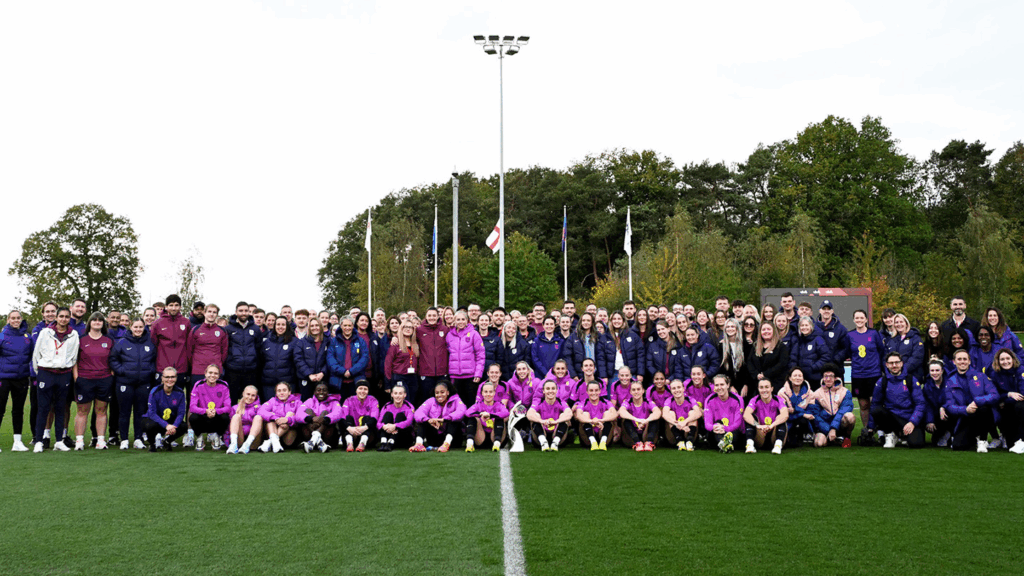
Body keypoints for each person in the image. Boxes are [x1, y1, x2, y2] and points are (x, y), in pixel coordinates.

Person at [109, 318, 157, 450]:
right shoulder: (121, 342)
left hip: (143, 383)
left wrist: (150, 371)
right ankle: (124, 439)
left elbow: (154, 360)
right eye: (135, 327)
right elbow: (113, 359)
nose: (138, 330)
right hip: (125, 382)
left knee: (140, 412)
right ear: (130, 327)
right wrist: (122, 371)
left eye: (140, 327)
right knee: (124, 412)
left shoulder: (150, 343)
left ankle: (138, 438)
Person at [73, 312, 114, 450]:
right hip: (85, 380)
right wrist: (77, 378)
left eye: (100, 320)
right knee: (82, 411)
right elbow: (74, 361)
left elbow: (112, 361)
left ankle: (100, 440)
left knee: (101, 410)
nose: (97, 322)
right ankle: (79, 441)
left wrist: (110, 377)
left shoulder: (109, 340)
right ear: (89, 322)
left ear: (103, 323)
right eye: (94, 320)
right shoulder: (81, 339)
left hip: (104, 379)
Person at [945, 349, 999, 452]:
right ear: (954, 362)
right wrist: (965, 409)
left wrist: (977, 401)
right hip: (965, 416)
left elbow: (994, 395)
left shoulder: (981, 376)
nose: (962, 362)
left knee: (984, 408)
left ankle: (982, 441)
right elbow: (950, 405)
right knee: (958, 446)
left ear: (969, 361)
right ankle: (974, 438)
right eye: (959, 359)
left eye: (965, 359)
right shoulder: (950, 381)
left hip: (983, 415)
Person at [869, 352, 926, 449]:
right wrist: (870, 427)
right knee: (877, 410)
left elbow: (920, 404)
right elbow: (875, 404)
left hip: (908, 418)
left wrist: (912, 422)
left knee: (916, 444)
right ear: (886, 365)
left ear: (902, 363)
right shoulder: (881, 382)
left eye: (896, 362)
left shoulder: (911, 380)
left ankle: (903, 436)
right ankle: (890, 434)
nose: (894, 365)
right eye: (891, 363)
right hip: (892, 417)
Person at [0, 310, 34, 452]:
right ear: (8, 320)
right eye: (13, 318)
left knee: (18, 410)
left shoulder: (27, 337)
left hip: (21, 378)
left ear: (21, 319)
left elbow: (33, 356)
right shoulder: (2, 336)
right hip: (4, 378)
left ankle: (17, 442)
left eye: (18, 318)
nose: (15, 320)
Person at [848, 309, 886, 433]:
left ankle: (879, 430)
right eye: (856, 318)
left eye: (861, 318)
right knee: (863, 404)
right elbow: (848, 352)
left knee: (875, 403)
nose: (859, 320)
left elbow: (881, 351)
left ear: (866, 319)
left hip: (873, 373)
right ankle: (867, 430)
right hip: (858, 375)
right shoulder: (850, 335)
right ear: (853, 320)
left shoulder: (874, 333)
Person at [410, 381, 466, 452]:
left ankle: (446, 444)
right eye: (437, 393)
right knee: (422, 420)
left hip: (453, 439)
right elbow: (418, 413)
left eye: (442, 392)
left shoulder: (456, 400)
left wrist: (444, 419)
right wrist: (428, 420)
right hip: (435, 438)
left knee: (453, 420)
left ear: (447, 393)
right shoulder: (431, 401)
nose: (439, 395)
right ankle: (419, 444)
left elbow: (462, 411)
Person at [224, 301, 262, 404]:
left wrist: (255, 364)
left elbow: (258, 348)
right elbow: (225, 348)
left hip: (250, 370)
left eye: (246, 311)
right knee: (232, 398)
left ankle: (248, 419)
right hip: (233, 370)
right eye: (241, 311)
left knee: (249, 399)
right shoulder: (228, 329)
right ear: (236, 312)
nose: (243, 313)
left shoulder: (255, 329)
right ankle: (232, 419)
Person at [986, 348, 1024, 453]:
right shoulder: (995, 374)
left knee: (1019, 406)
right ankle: (1009, 438)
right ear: (998, 361)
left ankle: (1021, 440)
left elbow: (1022, 394)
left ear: (1013, 359)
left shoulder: (1021, 371)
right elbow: (994, 394)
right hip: (1007, 405)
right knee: (1010, 446)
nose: (1005, 361)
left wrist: (1005, 399)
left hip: (1019, 405)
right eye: (1002, 359)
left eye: (1008, 358)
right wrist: (1008, 394)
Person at [151, 295, 192, 390]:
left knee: (178, 396)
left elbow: (189, 345)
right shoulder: (157, 323)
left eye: (177, 305)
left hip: (181, 368)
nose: (174, 308)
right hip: (163, 368)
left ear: (180, 307)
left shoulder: (186, 322)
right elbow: (154, 345)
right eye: (171, 305)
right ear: (166, 306)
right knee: (161, 397)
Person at [187, 364, 231, 451]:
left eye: (215, 373)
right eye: (210, 373)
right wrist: (206, 411)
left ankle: (217, 437)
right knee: (193, 417)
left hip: (216, 416)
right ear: (205, 373)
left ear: (219, 375)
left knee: (225, 417)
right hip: (203, 417)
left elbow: (228, 407)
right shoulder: (198, 384)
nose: (212, 375)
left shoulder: (224, 385)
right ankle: (199, 438)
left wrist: (216, 411)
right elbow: (192, 407)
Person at [142, 367, 187, 452]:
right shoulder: (155, 391)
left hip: (171, 422)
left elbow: (181, 413)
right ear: (162, 378)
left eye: (172, 377)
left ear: (176, 378)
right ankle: (152, 444)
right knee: (149, 425)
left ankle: (167, 441)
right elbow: (152, 413)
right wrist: (166, 425)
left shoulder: (180, 393)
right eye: (167, 377)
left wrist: (174, 426)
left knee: (184, 426)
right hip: (156, 421)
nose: (170, 379)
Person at [809, 364, 855, 447]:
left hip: (840, 424)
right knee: (818, 444)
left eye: (831, 376)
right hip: (825, 425)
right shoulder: (816, 394)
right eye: (826, 376)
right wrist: (829, 430)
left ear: (835, 378)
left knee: (850, 417)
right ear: (822, 378)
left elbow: (844, 410)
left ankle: (846, 438)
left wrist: (834, 428)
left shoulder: (845, 392)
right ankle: (833, 439)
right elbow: (816, 416)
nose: (828, 379)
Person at [447, 310, 485, 409]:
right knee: (458, 404)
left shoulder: (474, 334)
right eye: (458, 319)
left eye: (463, 319)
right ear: (454, 321)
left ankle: (470, 423)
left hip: (471, 376)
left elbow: (480, 355)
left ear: (467, 320)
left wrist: (478, 373)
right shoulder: (449, 335)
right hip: (455, 376)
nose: (460, 322)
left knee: (470, 403)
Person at [249, 381, 301, 453]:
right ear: (276, 393)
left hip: (288, 432)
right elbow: (261, 411)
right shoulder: (272, 401)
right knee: (270, 421)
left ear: (289, 392)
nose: (281, 393)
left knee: (289, 416)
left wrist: (287, 419)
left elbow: (300, 417)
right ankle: (275, 443)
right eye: (279, 391)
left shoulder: (297, 402)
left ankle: (269, 442)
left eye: (284, 390)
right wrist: (276, 418)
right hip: (272, 429)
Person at [742, 378, 788, 454]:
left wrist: (772, 425)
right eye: (761, 387)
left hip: (774, 434)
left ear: (772, 388)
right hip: (760, 435)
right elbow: (746, 414)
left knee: (781, 418)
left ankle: (777, 446)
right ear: (758, 389)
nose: (764, 390)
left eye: (767, 387)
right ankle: (750, 445)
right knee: (751, 417)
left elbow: (785, 414)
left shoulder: (778, 399)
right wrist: (758, 426)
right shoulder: (755, 400)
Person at [326, 316, 368, 399]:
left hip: (356, 381)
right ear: (341, 326)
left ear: (353, 326)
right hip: (338, 382)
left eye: (349, 325)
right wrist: (343, 371)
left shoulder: (361, 341)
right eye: (345, 325)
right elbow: (330, 359)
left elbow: (364, 358)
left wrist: (351, 371)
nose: (347, 328)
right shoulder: (333, 341)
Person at [415, 307, 449, 406]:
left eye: (434, 315)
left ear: (438, 316)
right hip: (426, 373)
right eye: (429, 315)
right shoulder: (419, 330)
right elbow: (406, 336)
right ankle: (427, 420)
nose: (432, 318)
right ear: (426, 316)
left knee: (443, 399)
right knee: (427, 399)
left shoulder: (445, 329)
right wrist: (395, 338)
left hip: (442, 372)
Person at [296, 383, 343, 453]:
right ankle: (319, 442)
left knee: (325, 413)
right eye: (318, 390)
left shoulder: (334, 402)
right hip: (310, 431)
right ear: (314, 392)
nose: (321, 392)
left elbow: (338, 413)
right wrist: (311, 419)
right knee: (308, 411)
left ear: (328, 392)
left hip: (327, 435)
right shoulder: (309, 401)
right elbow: (298, 413)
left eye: (324, 390)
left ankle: (312, 441)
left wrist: (324, 419)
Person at [527, 380, 573, 451]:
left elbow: (569, 413)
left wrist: (556, 422)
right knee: (534, 416)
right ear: (543, 391)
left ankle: (555, 442)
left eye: (553, 388)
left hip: (557, 437)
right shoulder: (538, 402)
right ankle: (543, 442)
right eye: (548, 389)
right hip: (540, 437)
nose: (550, 391)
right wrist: (541, 421)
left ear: (557, 390)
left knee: (564, 416)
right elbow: (529, 414)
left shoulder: (561, 402)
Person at [596, 311, 642, 382]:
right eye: (614, 319)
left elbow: (640, 355)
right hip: (613, 374)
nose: (616, 321)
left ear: (623, 320)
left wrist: (640, 373)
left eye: (619, 319)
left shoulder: (633, 335)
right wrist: (603, 376)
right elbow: (601, 358)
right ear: (611, 321)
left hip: (630, 374)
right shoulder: (604, 337)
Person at [704, 374, 745, 453]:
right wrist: (714, 427)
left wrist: (725, 428)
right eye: (717, 385)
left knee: (733, 433)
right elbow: (707, 424)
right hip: (717, 431)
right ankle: (725, 444)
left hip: (734, 432)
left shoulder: (738, 399)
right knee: (717, 424)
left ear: (728, 385)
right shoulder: (709, 400)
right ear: (714, 387)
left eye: (722, 384)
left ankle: (724, 444)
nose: (719, 388)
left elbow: (737, 424)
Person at [260, 316, 297, 402]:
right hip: (268, 383)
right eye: (278, 324)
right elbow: (262, 361)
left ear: (287, 326)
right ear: (274, 326)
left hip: (288, 383)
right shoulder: (266, 343)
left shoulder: (295, 342)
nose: (280, 327)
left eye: (283, 324)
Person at [618, 379, 662, 451]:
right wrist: (636, 419)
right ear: (630, 392)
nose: (636, 392)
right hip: (632, 435)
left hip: (646, 432)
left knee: (654, 418)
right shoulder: (627, 402)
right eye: (634, 390)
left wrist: (646, 421)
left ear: (643, 391)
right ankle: (637, 443)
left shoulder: (648, 401)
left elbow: (658, 412)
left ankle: (649, 442)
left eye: (638, 389)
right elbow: (621, 411)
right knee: (625, 420)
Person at [465, 382, 509, 452]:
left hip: (495, 436)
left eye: (491, 392)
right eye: (485, 392)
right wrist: (480, 414)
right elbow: (467, 413)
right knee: (472, 418)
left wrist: (490, 415)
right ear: (482, 393)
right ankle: (469, 443)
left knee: (499, 418)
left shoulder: (498, 404)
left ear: (494, 393)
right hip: (481, 438)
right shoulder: (478, 404)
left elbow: (506, 413)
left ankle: (496, 443)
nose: (488, 394)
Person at [747, 322, 789, 393]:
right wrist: (756, 374)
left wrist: (765, 374)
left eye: (769, 329)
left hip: (775, 385)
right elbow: (749, 362)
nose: (766, 331)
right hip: (757, 385)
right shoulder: (755, 346)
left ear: (773, 331)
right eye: (763, 329)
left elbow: (782, 364)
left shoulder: (780, 346)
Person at [294, 317, 329, 401]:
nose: (314, 328)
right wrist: (309, 374)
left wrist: (322, 373)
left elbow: (330, 359)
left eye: (317, 325)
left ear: (320, 326)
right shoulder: (301, 342)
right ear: (309, 327)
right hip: (306, 379)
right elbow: (298, 360)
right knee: (307, 405)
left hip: (322, 378)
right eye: (312, 326)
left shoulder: (328, 341)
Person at [574, 381, 616, 450]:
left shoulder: (606, 402)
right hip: (588, 438)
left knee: (608, 414)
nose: (594, 393)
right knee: (585, 414)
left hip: (603, 433)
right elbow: (578, 415)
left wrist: (601, 420)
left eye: (596, 390)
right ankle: (593, 442)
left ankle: (603, 442)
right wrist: (593, 421)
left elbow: (614, 413)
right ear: (587, 392)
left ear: (600, 391)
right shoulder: (583, 403)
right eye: (591, 390)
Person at [779, 367, 815, 448]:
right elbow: (783, 413)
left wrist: (795, 411)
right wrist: (802, 414)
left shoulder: (810, 393)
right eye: (795, 375)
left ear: (803, 378)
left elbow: (811, 412)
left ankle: (807, 436)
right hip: (788, 421)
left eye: (800, 376)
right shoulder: (781, 393)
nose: (797, 378)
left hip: (803, 422)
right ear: (790, 378)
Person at [789, 317, 829, 390]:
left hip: (815, 379)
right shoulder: (799, 341)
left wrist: (814, 367)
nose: (804, 327)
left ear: (811, 326)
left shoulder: (818, 339)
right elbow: (794, 357)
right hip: (802, 379)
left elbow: (826, 357)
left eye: (806, 325)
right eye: (802, 325)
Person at [662, 378, 702, 451]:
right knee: (670, 413)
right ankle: (679, 441)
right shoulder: (669, 400)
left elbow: (698, 413)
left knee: (692, 413)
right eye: (674, 388)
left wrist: (685, 422)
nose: (677, 390)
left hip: (688, 430)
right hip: (674, 433)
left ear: (683, 388)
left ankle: (690, 442)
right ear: (671, 390)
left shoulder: (690, 399)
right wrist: (677, 424)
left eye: (679, 387)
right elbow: (664, 414)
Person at [384, 319, 419, 401]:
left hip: (413, 377)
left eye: (410, 327)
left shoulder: (415, 343)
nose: (408, 329)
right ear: (401, 328)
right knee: (404, 401)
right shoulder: (395, 343)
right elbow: (388, 364)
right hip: (399, 377)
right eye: (405, 327)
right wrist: (387, 383)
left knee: (413, 401)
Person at [342, 380, 380, 452]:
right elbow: (342, 418)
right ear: (356, 390)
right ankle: (349, 444)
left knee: (367, 418)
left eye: (365, 389)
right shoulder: (348, 400)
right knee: (348, 418)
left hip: (367, 436)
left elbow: (374, 418)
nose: (362, 391)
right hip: (352, 434)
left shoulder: (373, 400)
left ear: (368, 391)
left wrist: (363, 428)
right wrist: (350, 428)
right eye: (360, 388)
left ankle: (362, 443)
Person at [922, 359, 952, 447]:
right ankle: (943, 434)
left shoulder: (950, 382)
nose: (935, 373)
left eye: (937, 370)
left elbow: (953, 399)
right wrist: (930, 421)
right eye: (932, 370)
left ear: (942, 371)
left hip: (950, 414)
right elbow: (928, 405)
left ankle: (951, 433)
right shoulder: (927, 386)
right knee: (935, 442)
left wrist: (943, 407)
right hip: (936, 415)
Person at [377, 383, 415, 451]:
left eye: (400, 393)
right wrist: (384, 426)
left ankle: (391, 443)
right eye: (395, 393)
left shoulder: (409, 406)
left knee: (400, 416)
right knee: (388, 414)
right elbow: (378, 423)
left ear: (404, 395)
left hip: (404, 437)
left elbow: (409, 422)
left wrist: (395, 426)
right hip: (388, 433)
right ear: (392, 394)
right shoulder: (386, 406)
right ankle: (383, 443)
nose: (398, 396)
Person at [886, 313, 925, 381]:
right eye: (896, 322)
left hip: (912, 377)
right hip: (894, 377)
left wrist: (902, 370)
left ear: (906, 323)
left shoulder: (915, 338)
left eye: (901, 322)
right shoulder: (891, 340)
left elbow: (917, 357)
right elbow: (886, 356)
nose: (899, 324)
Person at [225, 385, 261, 454]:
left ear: (256, 397)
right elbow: (229, 427)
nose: (250, 397)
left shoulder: (259, 408)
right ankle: (233, 445)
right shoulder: (235, 408)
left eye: (253, 395)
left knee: (258, 417)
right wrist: (227, 441)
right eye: (248, 394)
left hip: (253, 442)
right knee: (236, 416)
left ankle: (247, 444)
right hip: (240, 440)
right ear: (243, 393)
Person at [565, 313, 598, 379]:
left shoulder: (598, 336)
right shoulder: (573, 337)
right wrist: (573, 374)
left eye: (588, 320)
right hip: (579, 375)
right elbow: (568, 357)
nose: (586, 322)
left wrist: (603, 375)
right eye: (584, 320)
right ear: (580, 322)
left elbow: (601, 357)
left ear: (592, 322)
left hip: (596, 374)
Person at [816, 300, 850, 366]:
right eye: (824, 309)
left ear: (832, 311)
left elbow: (846, 348)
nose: (826, 311)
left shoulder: (841, 329)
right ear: (820, 311)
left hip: (836, 368)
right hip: (818, 368)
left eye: (828, 309)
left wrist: (836, 359)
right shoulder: (814, 327)